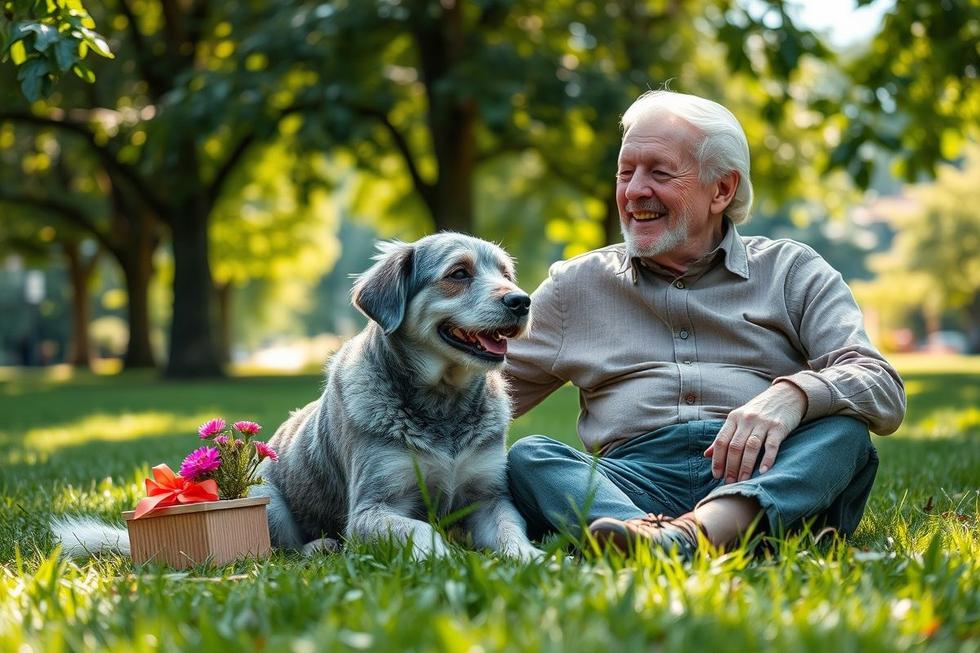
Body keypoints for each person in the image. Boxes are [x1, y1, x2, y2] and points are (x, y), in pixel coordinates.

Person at [503, 90, 906, 556]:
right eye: (625, 172)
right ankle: (667, 538)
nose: (634, 191)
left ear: (722, 189)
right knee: (532, 456)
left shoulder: (792, 270)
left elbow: (880, 385)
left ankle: (680, 540)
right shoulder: (576, 286)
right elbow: (476, 393)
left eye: (659, 172)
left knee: (844, 435)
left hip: (767, 470)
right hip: (632, 481)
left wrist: (791, 395)